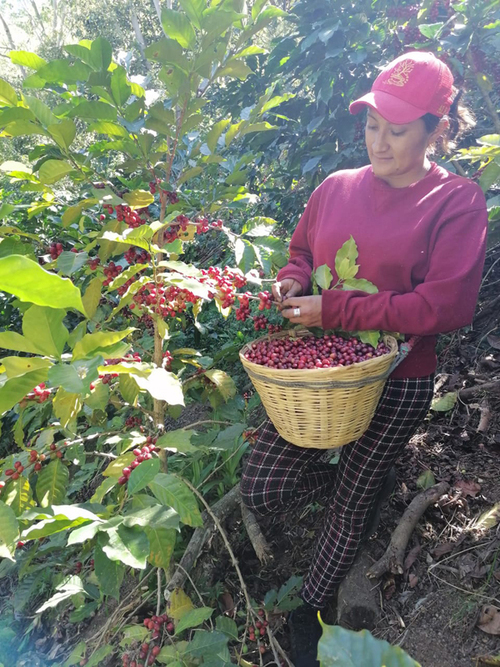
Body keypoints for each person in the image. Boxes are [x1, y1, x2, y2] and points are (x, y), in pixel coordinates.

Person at [240, 51, 488, 666]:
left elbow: (446, 307)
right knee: (263, 485)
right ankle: (342, 492)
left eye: (398, 129)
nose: (380, 141)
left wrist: (337, 311)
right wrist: (294, 283)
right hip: (316, 378)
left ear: (440, 128)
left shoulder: (455, 202)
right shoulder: (335, 188)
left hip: (398, 377)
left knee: (353, 502)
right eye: (372, 124)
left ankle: (314, 608)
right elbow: (299, 255)